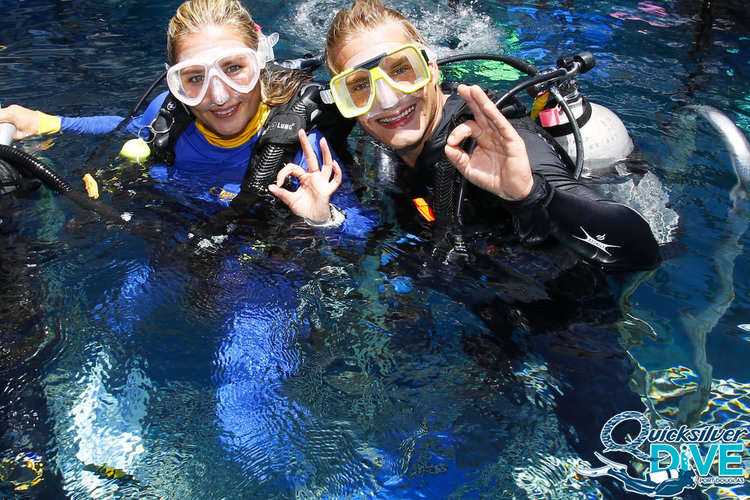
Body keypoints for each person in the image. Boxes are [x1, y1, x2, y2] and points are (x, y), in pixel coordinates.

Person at [323, 0, 661, 271]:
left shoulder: (494, 139)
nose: (389, 100)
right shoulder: (375, 143)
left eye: (401, 69)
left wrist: (533, 193)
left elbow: (640, 253)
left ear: (432, 68)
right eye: (359, 87)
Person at [0, 0, 371, 238]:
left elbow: (365, 229)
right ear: (174, 80)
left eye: (234, 68)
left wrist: (324, 217)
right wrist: (48, 122)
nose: (219, 94)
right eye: (195, 77)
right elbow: (128, 126)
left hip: (261, 257)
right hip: (178, 233)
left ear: (259, 64)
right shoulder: (169, 112)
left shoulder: (302, 144)